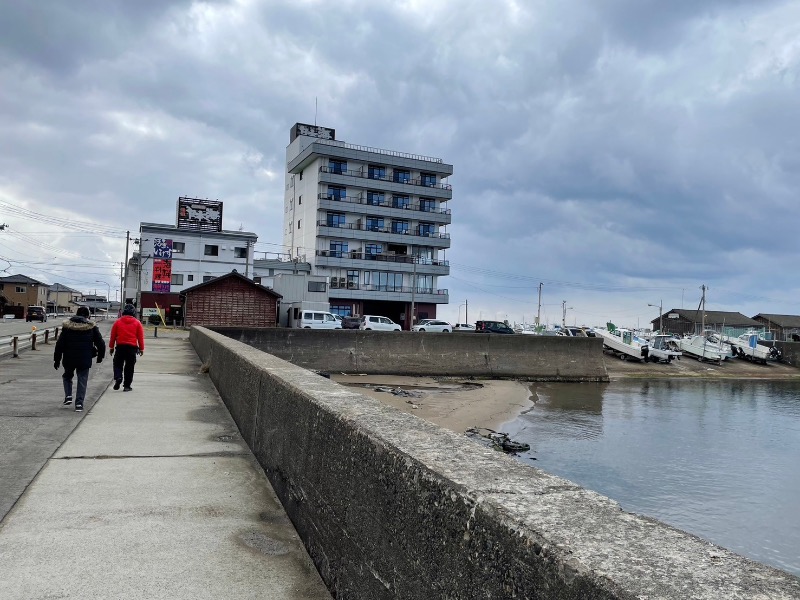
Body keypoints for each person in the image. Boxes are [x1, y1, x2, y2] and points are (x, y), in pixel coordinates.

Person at [54, 306, 106, 412]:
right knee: (82, 379)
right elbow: (101, 343)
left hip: (69, 357)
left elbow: (60, 344)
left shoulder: (67, 327)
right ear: (88, 315)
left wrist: (57, 359)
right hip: (84, 358)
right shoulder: (91, 327)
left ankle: (68, 395)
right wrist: (100, 356)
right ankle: (79, 404)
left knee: (67, 376)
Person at [109, 304, 145, 392]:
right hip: (132, 348)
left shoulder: (117, 322)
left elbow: (113, 336)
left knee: (117, 364)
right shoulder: (137, 323)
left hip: (120, 347)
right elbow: (140, 337)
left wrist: (111, 347)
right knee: (129, 367)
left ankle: (118, 377)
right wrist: (141, 348)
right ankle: (127, 386)